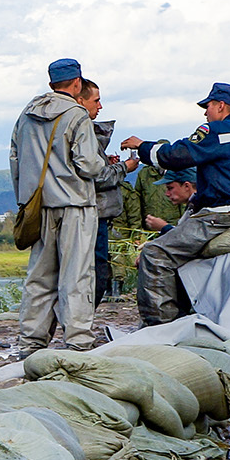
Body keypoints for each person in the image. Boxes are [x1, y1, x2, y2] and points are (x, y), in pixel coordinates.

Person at [120, 83, 230, 326]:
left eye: (208, 107)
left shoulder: (215, 131)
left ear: (221, 106)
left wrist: (143, 147)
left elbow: (177, 156)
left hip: (218, 218)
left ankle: (161, 329)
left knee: (155, 253)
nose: (205, 112)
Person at [11, 58, 106, 351]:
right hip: (75, 204)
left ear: (52, 82)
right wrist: (107, 166)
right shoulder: (76, 114)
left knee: (39, 277)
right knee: (76, 275)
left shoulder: (26, 114)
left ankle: (31, 343)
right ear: (77, 83)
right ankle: (78, 341)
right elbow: (89, 164)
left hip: (39, 207)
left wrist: (25, 200)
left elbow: (16, 160)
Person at [78, 79, 130, 305]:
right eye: (96, 101)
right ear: (81, 101)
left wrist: (106, 162)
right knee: (96, 270)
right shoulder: (84, 132)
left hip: (95, 214)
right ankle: (83, 320)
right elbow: (97, 177)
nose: (100, 107)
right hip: (93, 213)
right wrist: (123, 168)